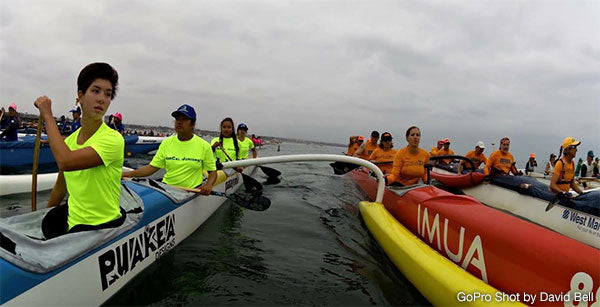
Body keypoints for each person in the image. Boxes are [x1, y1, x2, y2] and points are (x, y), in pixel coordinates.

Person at [36, 62, 125, 239]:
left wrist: (47, 114)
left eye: (108, 94)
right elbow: (59, 190)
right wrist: (38, 219)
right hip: (73, 219)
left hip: (102, 226)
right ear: (80, 96)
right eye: (95, 91)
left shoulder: (114, 139)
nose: (102, 99)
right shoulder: (69, 141)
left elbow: (65, 161)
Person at [122, 104, 217, 191]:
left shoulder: (204, 146)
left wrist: (209, 184)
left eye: (184, 119)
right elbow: (151, 168)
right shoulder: (166, 143)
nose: (179, 122)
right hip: (167, 190)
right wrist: (128, 174)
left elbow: (212, 172)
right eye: (177, 119)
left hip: (191, 191)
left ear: (192, 124)